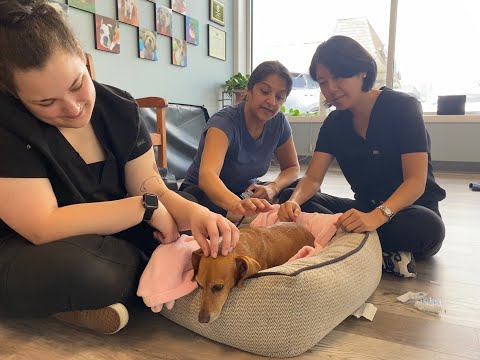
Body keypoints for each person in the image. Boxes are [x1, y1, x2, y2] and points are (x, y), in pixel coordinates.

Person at [0, 0, 239, 334]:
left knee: (193, 213)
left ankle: (88, 302)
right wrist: (145, 209)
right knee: (101, 270)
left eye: (76, 84)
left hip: (106, 234)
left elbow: (150, 185)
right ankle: (75, 302)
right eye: (45, 102)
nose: (72, 108)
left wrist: (192, 214)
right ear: (15, 96)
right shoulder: (9, 127)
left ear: (84, 58)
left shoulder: (119, 108)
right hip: (27, 246)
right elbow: (43, 225)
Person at [278, 36, 446, 277]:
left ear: (362, 72)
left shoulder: (402, 107)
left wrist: (377, 217)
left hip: (408, 212)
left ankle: (346, 245)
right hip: (365, 210)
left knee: (428, 228)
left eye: (338, 77)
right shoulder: (334, 123)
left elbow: (415, 182)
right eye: (323, 82)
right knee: (290, 197)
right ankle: (377, 253)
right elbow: (313, 179)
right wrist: (293, 202)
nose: (331, 89)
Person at [180, 61, 300, 220]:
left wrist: (273, 188)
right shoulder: (223, 123)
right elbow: (207, 176)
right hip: (205, 193)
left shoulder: (279, 123)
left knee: (300, 189)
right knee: (203, 205)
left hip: (245, 192)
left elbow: (292, 168)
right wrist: (238, 205)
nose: (271, 101)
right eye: (264, 91)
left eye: (279, 97)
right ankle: (247, 218)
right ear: (248, 91)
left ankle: (253, 216)